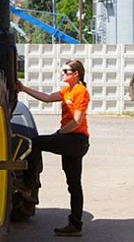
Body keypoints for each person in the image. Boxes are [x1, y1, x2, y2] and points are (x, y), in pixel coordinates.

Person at [18, 59, 92, 237]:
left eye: (66, 71)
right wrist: (23, 88)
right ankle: (75, 225)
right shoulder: (67, 89)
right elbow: (47, 98)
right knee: (73, 185)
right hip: (70, 140)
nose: (63, 74)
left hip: (76, 141)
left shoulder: (80, 91)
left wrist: (59, 133)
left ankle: (30, 183)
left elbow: (77, 121)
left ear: (76, 74)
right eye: (63, 71)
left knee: (35, 142)